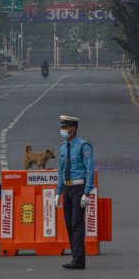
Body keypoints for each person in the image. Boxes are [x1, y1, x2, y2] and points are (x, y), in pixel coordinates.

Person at [54, 115, 94, 270]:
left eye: (65, 127)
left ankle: (78, 260)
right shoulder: (63, 147)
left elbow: (89, 168)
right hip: (67, 188)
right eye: (62, 127)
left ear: (73, 128)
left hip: (79, 188)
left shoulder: (84, 145)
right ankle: (75, 256)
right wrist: (58, 192)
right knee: (69, 224)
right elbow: (61, 170)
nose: (62, 130)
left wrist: (87, 192)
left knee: (77, 224)